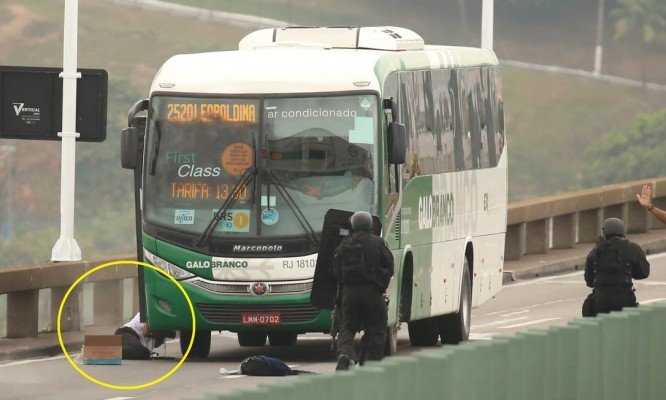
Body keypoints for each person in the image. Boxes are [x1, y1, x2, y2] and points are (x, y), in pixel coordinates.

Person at [333, 211, 394, 371]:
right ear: (370, 225)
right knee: (376, 329)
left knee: (346, 327)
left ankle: (346, 355)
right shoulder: (378, 242)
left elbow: (335, 272)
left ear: (353, 225)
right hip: (372, 293)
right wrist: (382, 284)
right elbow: (390, 266)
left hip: (349, 294)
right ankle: (370, 365)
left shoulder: (344, 245)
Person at [583, 218, 650, 316]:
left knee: (598, 327)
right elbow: (643, 273)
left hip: (600, 300)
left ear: (604, 232)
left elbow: (589, 280)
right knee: (627, 327)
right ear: (623, 232)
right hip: (624, 299)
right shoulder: (632, 248)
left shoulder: (596, 250)